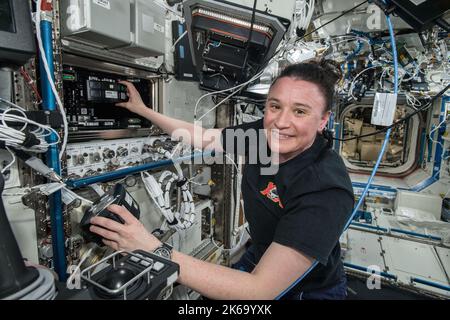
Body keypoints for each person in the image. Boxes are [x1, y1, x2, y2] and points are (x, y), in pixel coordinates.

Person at [89, 61, 354, 300]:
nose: (282, 122)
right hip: (261, 254)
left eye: (300, 111)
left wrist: (152, 249)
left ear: (323, 121)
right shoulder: (262, 135)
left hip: (310, 290)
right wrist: (143, 111)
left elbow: (260, 290)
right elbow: (201, 136)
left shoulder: (324, 188)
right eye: (275, 106)